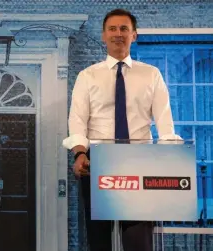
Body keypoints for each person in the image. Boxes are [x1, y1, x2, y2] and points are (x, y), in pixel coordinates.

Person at [62, 9, 181, 251]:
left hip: (140, 162)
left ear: (134, 35)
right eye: (113, 29)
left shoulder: (151, 74)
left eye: (124, 29)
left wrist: (172, 159)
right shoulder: (87, 76)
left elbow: (165, 123)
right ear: (103, 35)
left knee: (139, 243)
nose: (118, 34)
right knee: (99, 241)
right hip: (97, 164)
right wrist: (79, 153)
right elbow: (77, 120)